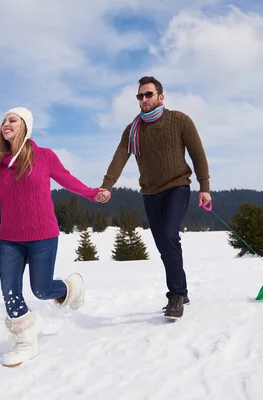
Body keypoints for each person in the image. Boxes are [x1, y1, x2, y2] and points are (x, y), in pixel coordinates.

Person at [0, 107, 101, 367]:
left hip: (43, 235)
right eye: (3, 121)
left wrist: (91, 193)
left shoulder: (44, 157)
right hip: (10, 238)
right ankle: (25, 341)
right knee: (9, 290)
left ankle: (69, 287)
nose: (5, 124)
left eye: (12, 120)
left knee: (41, 289)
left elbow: (66, 179)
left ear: (25, 126)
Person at [96, 76, 212, 320]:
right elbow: (119, 157)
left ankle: (176, 295)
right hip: (150, 192)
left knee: (169, 235)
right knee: (164, 244)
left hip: (177, 187)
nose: (144, 99)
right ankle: (182, 288)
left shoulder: (180, 120)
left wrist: (204, 186)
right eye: (140, 96)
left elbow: (197, 153)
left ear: (161, 96)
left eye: (148, 94)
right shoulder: (133, 130)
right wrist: (107, 185)